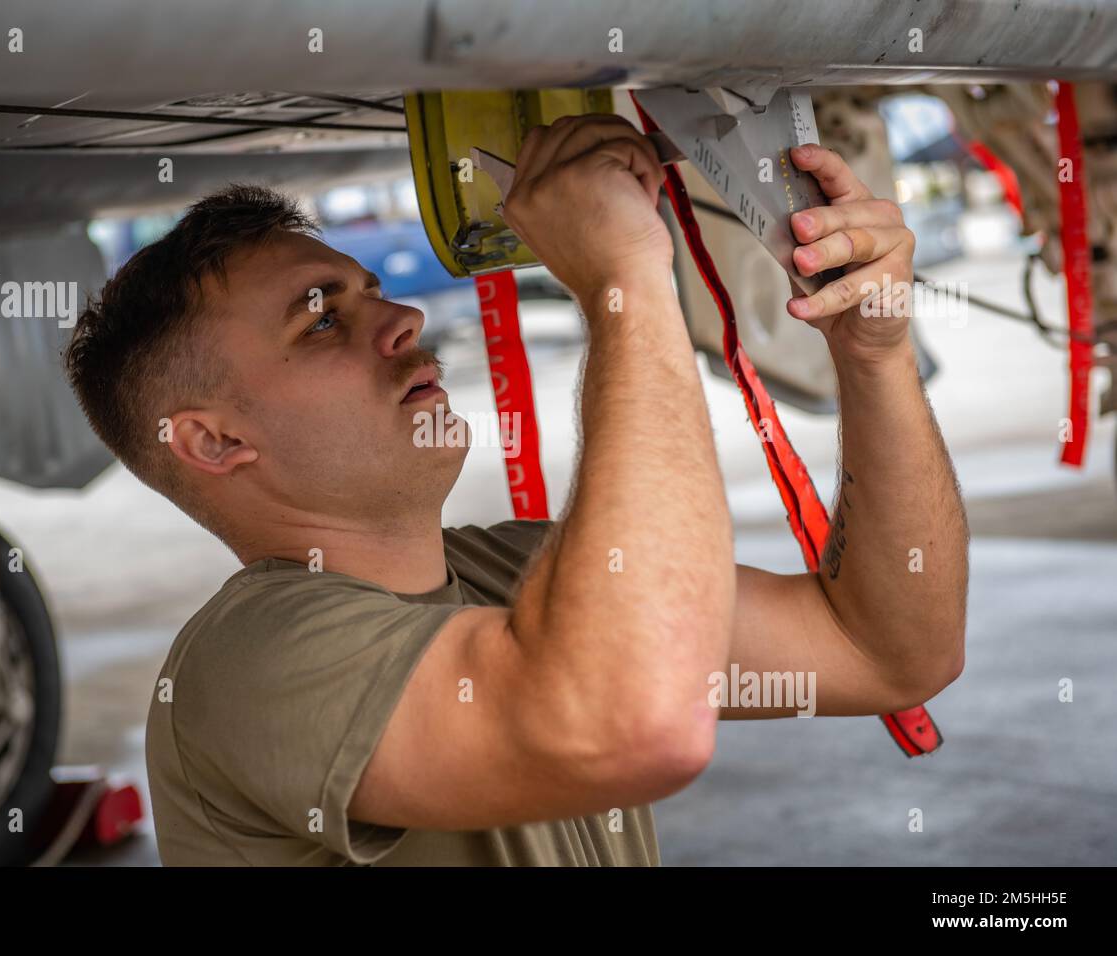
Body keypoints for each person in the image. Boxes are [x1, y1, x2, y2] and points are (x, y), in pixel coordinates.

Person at [63, 113, 968, 866]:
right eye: (322, 321)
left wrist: (873, 356)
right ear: (215, 440)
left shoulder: (523, 574)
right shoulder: (246, 662)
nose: (404, 318)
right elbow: (638, 722)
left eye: (370, 291)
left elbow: (888, 651)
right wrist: (625, 280)